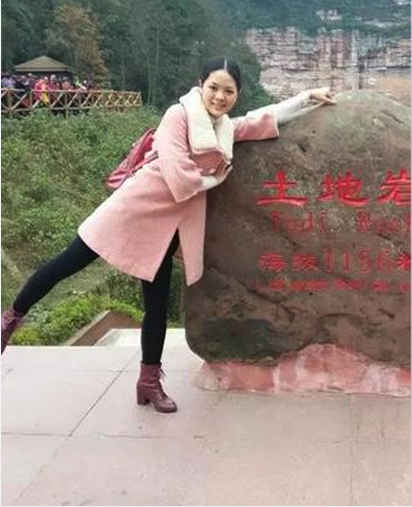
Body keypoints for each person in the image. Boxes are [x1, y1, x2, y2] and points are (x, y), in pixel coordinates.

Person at [1, 57, 336, 413]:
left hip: (165, 229)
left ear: (237, 94)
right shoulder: (178, 115)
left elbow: (260, 120)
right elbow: (178, 174)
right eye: (214, 87)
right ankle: (10, 319)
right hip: (134, 208)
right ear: (201, 85)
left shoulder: (224, 128)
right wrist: (214, 179)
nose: (219, 96)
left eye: (228, 91)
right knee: (67, 263)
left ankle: (148, 383)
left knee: (156, 306)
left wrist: (307, 98)